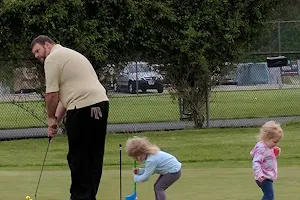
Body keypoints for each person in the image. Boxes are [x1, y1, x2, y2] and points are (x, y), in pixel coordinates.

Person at [31, 35, 109, 200]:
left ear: (47, 44)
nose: (37, 56)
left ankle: (80, 197)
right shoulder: (68, 54)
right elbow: (66, 99)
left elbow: (52, 95)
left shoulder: (52, 59)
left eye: (37, 50)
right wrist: (56, 124)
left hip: (82, 108)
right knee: (93, 155)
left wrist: (50, 118)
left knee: (78, 156)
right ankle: (88, 196)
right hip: (100, 104)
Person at [250, 121, 283, 200]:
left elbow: (267, 157)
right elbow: (256, 162)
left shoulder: (268, 146)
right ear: (266, 138)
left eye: (277, 142)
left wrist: (274, 152)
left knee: (268, 195)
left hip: (267, 176)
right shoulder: (262, 148)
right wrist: (259, 174)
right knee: (269, 196)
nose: (275, 144)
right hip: (263, 177)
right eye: (274, 142)